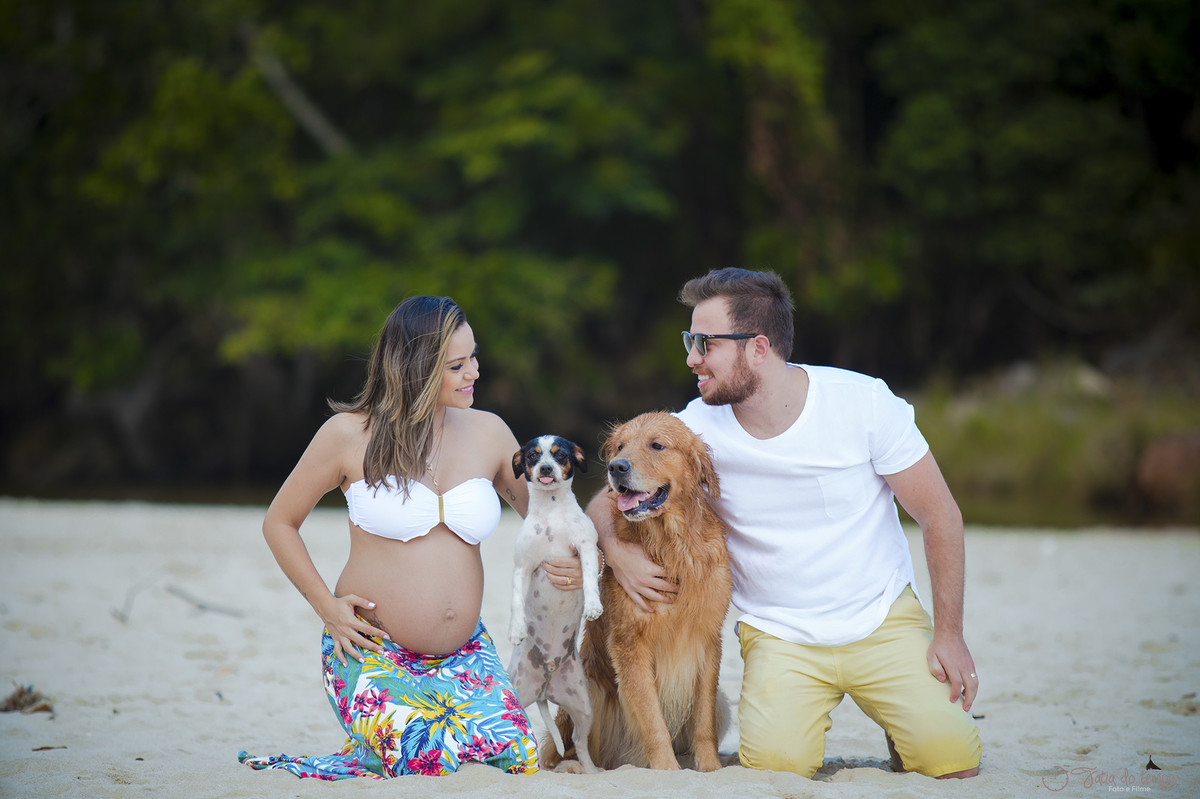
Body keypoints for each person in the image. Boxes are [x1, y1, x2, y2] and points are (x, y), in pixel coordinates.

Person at [573, 268, 981, 779]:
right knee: (775, 768)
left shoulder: (864, 402)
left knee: (953, 764)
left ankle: (904, 716)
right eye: (688, 340)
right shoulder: (695, 427)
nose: (690, 357)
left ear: (758, 347)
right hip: (779, 634)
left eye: (704, 343)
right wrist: (620, 550)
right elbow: (605, 500)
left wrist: (949, 633)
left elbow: (940, 515)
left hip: (880, 616)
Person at [238, 295, 574, 779]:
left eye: (474, 357)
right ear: (414, 367)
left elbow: (551, 516)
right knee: (425, 759)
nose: (474, 372)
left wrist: (591, 560)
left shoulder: (491, 433)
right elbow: (279, 523)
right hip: (371, 648)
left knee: (517, 759)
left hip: (466, 655)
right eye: (457, 365)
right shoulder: (348, 434)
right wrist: (327, 608)